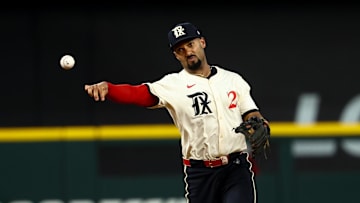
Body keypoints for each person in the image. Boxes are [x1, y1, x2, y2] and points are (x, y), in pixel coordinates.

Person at [84, 22, 270, 203]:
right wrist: (109, 88)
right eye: (181, 49)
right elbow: (139, 93)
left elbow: (251, 113)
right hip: (200, 173)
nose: (188, 51)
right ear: (176, 55)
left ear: (202, 42)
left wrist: (258, 123)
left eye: (191, 44)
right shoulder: (173, 84)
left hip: (235, 168)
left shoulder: (233, 80)